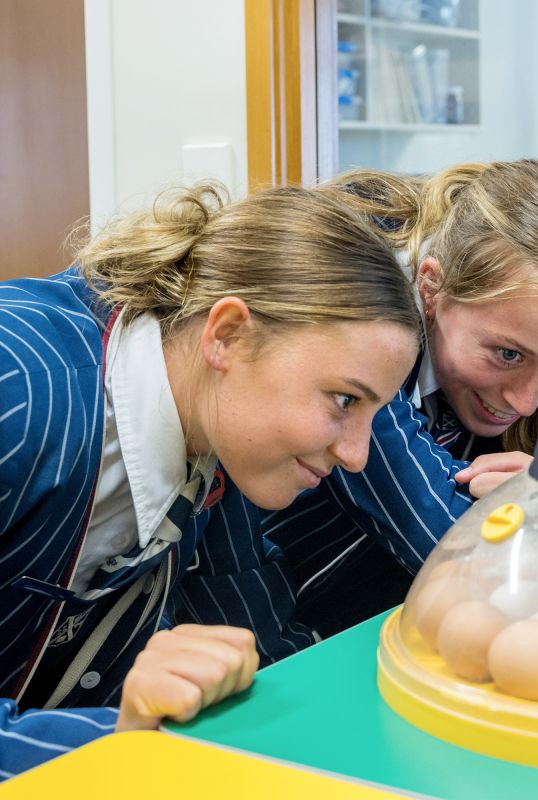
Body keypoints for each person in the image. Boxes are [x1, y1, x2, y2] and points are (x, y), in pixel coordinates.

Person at [0, 183, 420, 778]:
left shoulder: (216, 436)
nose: (356, 456)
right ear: (226, 334)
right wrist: (116, 739)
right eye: (344, 399)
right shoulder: (17, 389)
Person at [260, 159, 538, 637]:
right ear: (431, 289)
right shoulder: (368, 325)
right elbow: (456, 549)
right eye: (507, 354)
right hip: (277, 645)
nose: (524, 402)